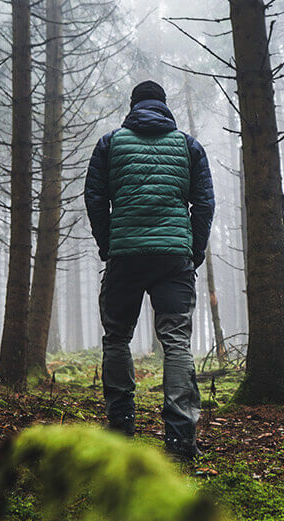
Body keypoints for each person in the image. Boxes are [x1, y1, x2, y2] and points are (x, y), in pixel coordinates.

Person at [84, 80, 215, 461]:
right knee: (175, 341)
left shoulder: (110, 144)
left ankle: (120, 429)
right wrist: (194, 248)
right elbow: (204, 202)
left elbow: (95, 197)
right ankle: (178, 439)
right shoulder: (189, 146)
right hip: (174, 256)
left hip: (125, 255)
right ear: (164, 106)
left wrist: (108, 243)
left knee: (116, 337)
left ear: (133, 106)